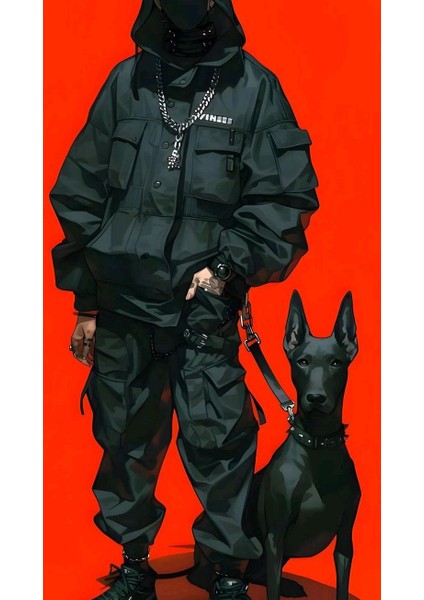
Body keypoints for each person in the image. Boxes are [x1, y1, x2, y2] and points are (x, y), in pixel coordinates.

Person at [50, 1, 319, 598]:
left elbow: (285, 198)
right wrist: (86, 304)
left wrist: (228, 266)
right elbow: (80, 192)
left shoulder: (254, 88)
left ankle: (226, 572)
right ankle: (133, 567)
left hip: (204, 310)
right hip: (122, 306)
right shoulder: (126, 82)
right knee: (123, 438)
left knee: (220, 442)